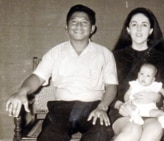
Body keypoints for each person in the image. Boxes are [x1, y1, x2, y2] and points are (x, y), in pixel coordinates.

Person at [6, 4, 118, 141]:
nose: (78, 26)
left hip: (94, 107)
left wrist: (102, 107)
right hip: (61, 110)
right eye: (74, 22)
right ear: (66, 26)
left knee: (101, 134)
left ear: (92, 29)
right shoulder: (55, 52)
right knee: (50, 136)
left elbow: (112, 86)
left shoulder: (104, 53)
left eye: (84, 23)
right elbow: (37, 76)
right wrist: (22, 91)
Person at [109, 7, 164, 141]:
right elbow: (105, 89)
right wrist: (120, 105)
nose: (138, 29)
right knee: (133, 130)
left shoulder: (161, 58)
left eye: (144, 25)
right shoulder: (115, 56)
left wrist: (157, 98)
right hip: (122, 111)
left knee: (155, 129)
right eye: (134, 24)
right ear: (128, 29)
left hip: (151, 112)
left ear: (150, 31)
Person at [124, 63, 164, 128]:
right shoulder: (134, 84)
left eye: (148, 76)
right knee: (127, 107)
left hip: (150, 109)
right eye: (142, 74)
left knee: (159, 112)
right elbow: (127, 94)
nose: (143, 77)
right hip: (135, 107)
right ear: (138, 74)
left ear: (153, 79)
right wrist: (127, 100)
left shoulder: (155, 85)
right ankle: (135, 117)